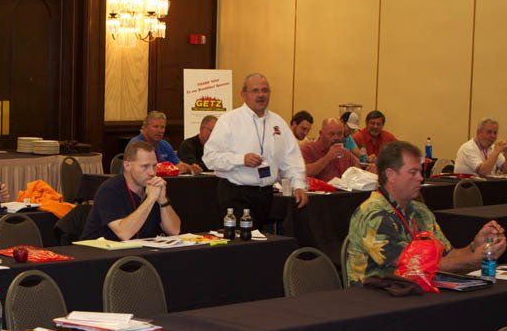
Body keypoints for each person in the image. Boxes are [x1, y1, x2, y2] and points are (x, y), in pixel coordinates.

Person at [346, 141, 505, 284]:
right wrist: (474, 258)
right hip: (377, 297)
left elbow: (446, 256)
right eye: (413, 172)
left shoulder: (420, 211)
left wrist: (474, 246)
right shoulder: (372, 214)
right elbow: (413, 266)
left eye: (420, 172)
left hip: (414, 292)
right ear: (391, 175)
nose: (420, 178)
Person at [203, 73, 308, 227]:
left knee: (259, 238)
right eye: (255, 90)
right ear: (243, 94)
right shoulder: (229, 120)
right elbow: (210, 158)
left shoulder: (278, 122)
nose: (261, 95)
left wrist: (298, 185)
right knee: (243, 239)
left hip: (265, 195)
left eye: (265, 90)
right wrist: (241, 159)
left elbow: (291, 159)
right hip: (235, 194)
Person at [80, 140, 181, 241]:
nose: (152, 172)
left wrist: (163, 201)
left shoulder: (153, 187)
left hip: (139, 248)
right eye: (145, 166)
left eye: (154, 166)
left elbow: (174, 231)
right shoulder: (109, 189)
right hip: (99, 249)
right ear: (127, 166)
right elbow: (124, 233)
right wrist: (150, 199)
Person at [300, 118, 369, 181]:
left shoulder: (345, 153)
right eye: (331, 134)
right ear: (321, 134)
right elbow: (302, 173)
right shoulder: (308, 149)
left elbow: (359, 168)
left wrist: (368, 167)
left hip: (342, 190)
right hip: (317, 190)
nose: (336, 138)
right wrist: (328, 157)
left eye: (339, 134)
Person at [129, 111, 194, 173]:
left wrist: (191, 168)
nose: (160, 131)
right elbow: (141, 171)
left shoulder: (164, 144)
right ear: (145, 128)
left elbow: (179, 165)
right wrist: (170, 169)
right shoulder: (136, 144)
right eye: (156, 127)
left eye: (162, 127)